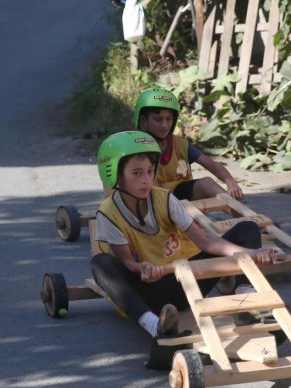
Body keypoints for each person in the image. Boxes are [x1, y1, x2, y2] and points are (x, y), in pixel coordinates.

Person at [90, 130, 275, 370]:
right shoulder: (108, 213)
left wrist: (247, 254)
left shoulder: (165, 199)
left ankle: (245, 303)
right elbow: (126, 262)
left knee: (247, 228)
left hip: (186, 280)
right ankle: (155, 325)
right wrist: (142, 267)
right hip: (149, 290)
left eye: (149, 171)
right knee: (100, 263)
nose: (146, 180)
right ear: (115, 175)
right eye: (137, 174)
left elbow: (207, 242)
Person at [134, 87, 241, 200]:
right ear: (144, 121)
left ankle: (247, 216)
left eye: (169, 119)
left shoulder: (180, 144)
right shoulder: (138, 148)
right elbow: (152, 186)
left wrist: (231, 182)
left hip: (180, 193)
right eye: (158, 119)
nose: (164, 125)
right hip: (156, 199)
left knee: (207, 183)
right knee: (155, 189)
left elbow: (211, 164)